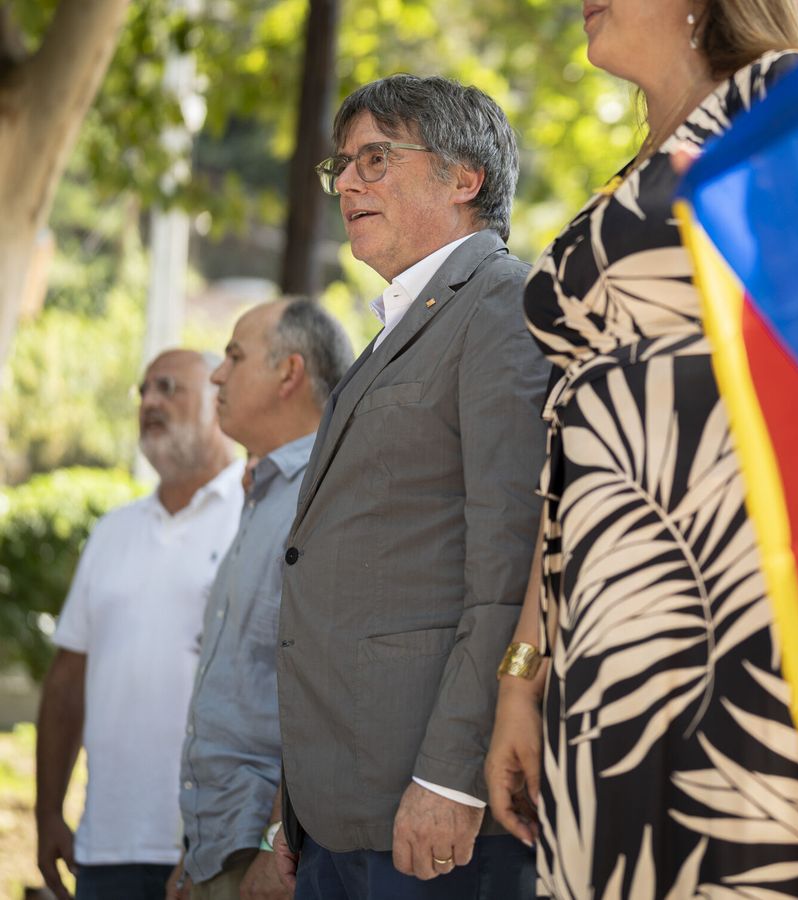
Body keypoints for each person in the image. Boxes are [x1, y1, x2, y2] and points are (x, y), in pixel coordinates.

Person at [485, 1, 798, 897]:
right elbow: (572, 454)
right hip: (602, 624)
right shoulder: (622, 178)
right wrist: (522, 675)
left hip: (740, 606)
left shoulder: (779, 100)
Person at [272, 74, 548, 899]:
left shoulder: (499, 303)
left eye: (377, 158)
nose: (349, 181)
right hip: (345, 809)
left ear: (464, 179)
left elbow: (508, 563)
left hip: (433, 814)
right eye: (343, 166)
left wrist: (453, 777)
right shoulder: (409, 317)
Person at [35, 350, 242, 900]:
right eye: (144, 390)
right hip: (105, 849)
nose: (150, 401)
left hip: (218, 849)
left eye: (169, 387)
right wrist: (47, 810)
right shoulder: (112, 531)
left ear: (218, 400)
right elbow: (65, 683)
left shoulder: (260, 513)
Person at [166, 300, 353, 900]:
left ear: (289, 373)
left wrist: (279, 844)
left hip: (269, 859)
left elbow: (321, 691)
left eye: (234, 356)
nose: (217, 375)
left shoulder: (322, 495)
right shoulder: (266, 490)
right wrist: (198, 858)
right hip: (222, 851)